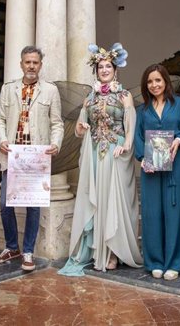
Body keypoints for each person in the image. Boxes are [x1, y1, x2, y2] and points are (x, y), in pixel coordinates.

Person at [59, 43, 143, 276]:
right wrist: (82, 125)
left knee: (114, 200)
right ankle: (98, 251)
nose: (104, 70)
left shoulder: (124, 96)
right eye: (100, 67)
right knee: (96, 201)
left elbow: (130, 126)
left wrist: (125, 146)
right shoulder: (90, 97)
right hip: (95, 153)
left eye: (108, 66)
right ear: (96, 71)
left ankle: (114, 251)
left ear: (115, 70)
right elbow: (77, 129)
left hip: (115, 153)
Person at [0, 46, 64, 271]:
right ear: (21, 64)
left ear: (40, 65)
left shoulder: (50, 91)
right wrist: (1, 140)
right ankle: (12, 246)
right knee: (5, 204)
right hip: (12, 155)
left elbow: (57, 123)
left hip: (35, 157)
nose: (31, 66)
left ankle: (28, 251)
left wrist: (55, 144)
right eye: (27, 62)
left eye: (35, 62)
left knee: (33, 206)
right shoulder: (9, 88)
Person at [134, 64, 180, 281]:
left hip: (176, 164)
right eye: (150, 81)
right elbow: (138, 136)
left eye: (158, 80)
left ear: (166, 81)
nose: (154, 85)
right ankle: (154, 261)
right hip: (150, 166)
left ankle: (173, 263)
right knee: (151, 213)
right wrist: (141, 157)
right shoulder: (142, 110)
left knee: (175, 212)